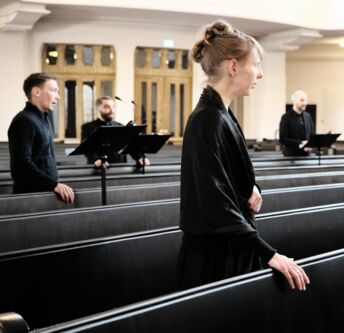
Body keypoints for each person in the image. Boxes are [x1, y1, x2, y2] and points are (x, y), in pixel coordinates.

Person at [177, 20, 310, 291]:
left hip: (228, 248)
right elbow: (215, 204)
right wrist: (269, 253)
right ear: (233, 66)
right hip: (213, 259)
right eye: (256, 64)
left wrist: (252, 187)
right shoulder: (208, 119)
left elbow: (231, 175)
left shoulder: (222, 113)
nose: (260, 74)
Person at [8, 73, 74, 203]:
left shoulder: (44, 120)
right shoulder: (23, 121)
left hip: (45, 193)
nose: (58, 97)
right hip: (29, 197)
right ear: (36, 92)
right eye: (54, 91)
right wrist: (53, 185)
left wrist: (54, 184)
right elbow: (21, 167)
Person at [81, 96, 149, 167]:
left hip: (121, 167)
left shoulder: (120, 126)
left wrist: (139, 157)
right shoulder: (88, 127)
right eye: (107, 107)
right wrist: (96, 159)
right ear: (98, 108)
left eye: (113, 107)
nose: (112, 110)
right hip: (99, 168)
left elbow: (129, 145)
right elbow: (87, 148)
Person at [279, 90, 315, 156]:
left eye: (305, 100)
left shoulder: (308, 116)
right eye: (302, 100)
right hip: (291, 156)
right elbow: (283, 139)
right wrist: (300, 143)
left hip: (306, 155)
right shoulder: (286, 117)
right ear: (294, 101)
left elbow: (312, 134)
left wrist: (310, 144)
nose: (305, 103)